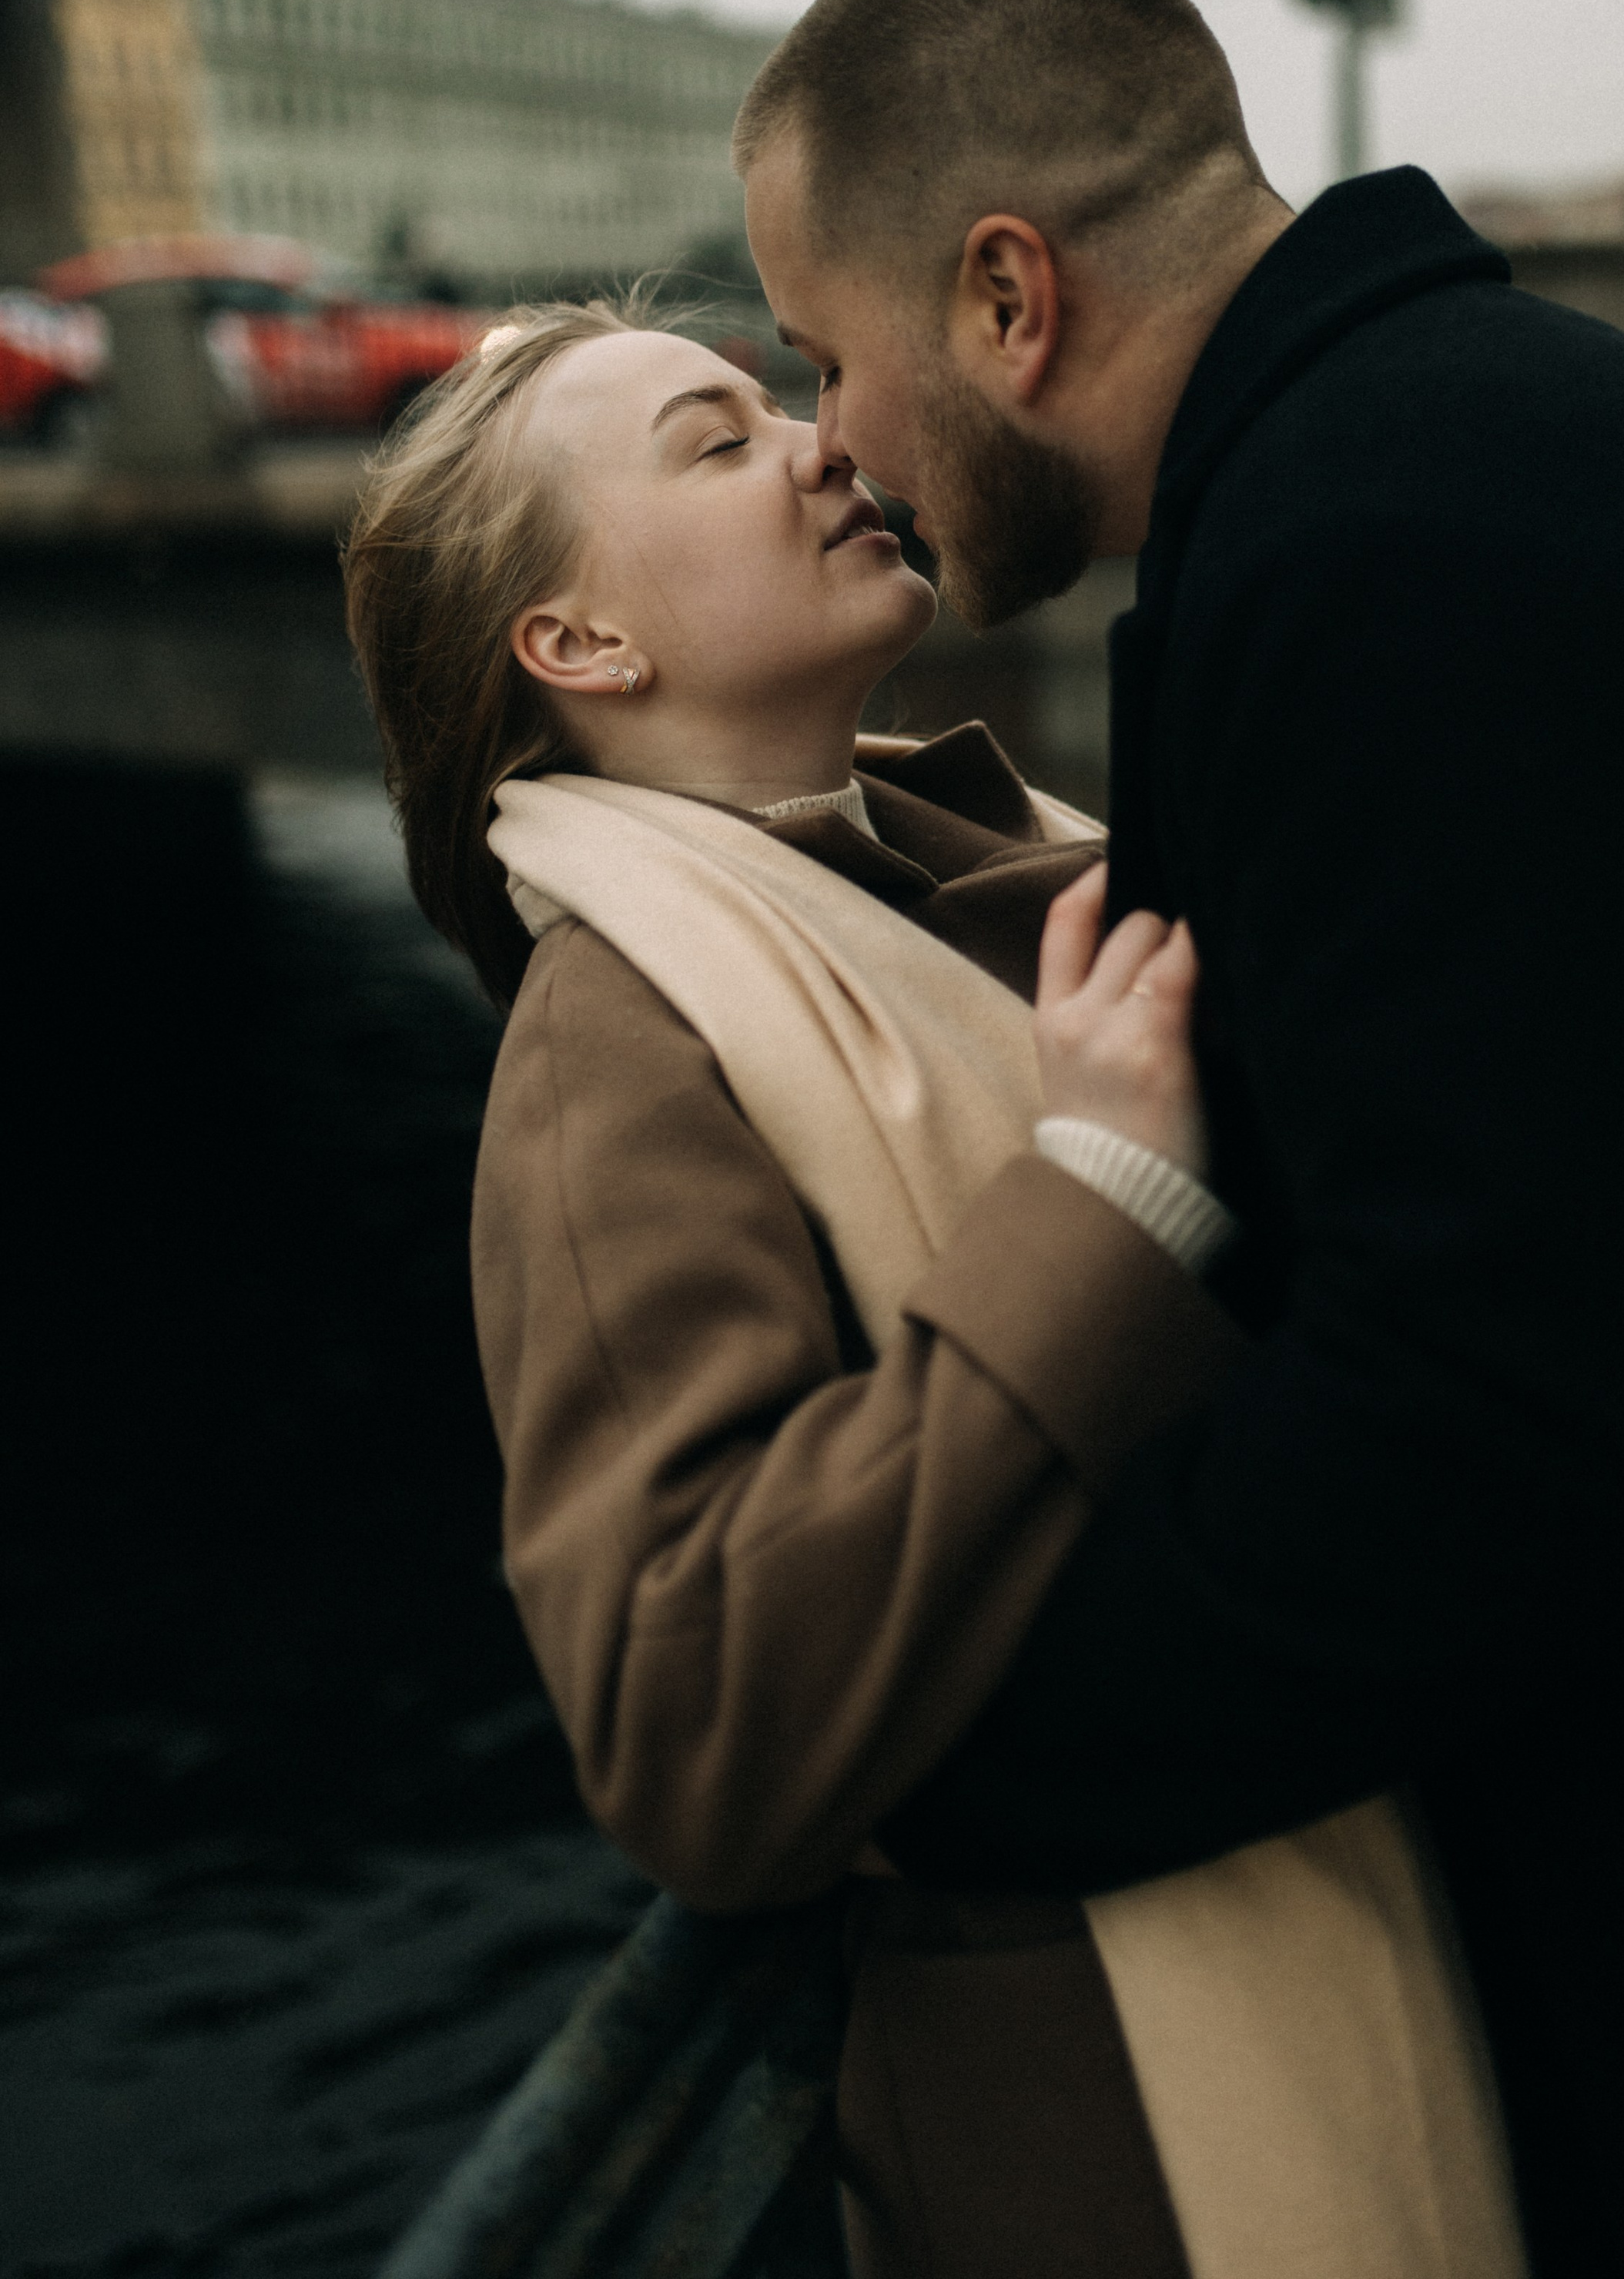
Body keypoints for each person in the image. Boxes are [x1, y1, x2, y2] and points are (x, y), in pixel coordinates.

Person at [732, 0, 1624, 2278]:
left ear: (1008, 298)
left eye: (827, 357)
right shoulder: (1451, 452)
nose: (835, 446)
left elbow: (1514, 1411)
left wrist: (955, 1765)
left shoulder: (1394, 549)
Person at [343, 304, 1525, 2279]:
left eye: (780, 403)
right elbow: (686, 1719)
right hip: (1120, 2140)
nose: (820, 445)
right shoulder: (611, 1052)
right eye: (711, 444)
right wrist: (1101, 1201)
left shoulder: (971, 865)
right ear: (579, 647)